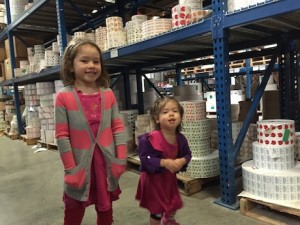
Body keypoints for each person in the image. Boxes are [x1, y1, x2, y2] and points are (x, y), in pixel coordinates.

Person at [55, 38, 127, 225]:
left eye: (96, 61)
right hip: (80, 166)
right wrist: (71, 170)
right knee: (73, 209)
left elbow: (118, 128)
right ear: (71, 66)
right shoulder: (64, 97)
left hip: (105, 165)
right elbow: (62, 136)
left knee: (105, 207)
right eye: (84, 60)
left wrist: (120, 159)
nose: (91, 65)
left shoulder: (108, 94)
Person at [135, 97, 192, 225]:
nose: (171, 114)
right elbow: (145, 158)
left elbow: (188, 154)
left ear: (181, 116)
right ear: (157, 119)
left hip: (169, 180)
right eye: (165, 112)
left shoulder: (180, 139)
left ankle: (168, 220)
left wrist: (182, 160)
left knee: (173, 204)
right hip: (153, 182)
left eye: (175, 111)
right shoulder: (149, 139)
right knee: (157, 211)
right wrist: (164, 162)